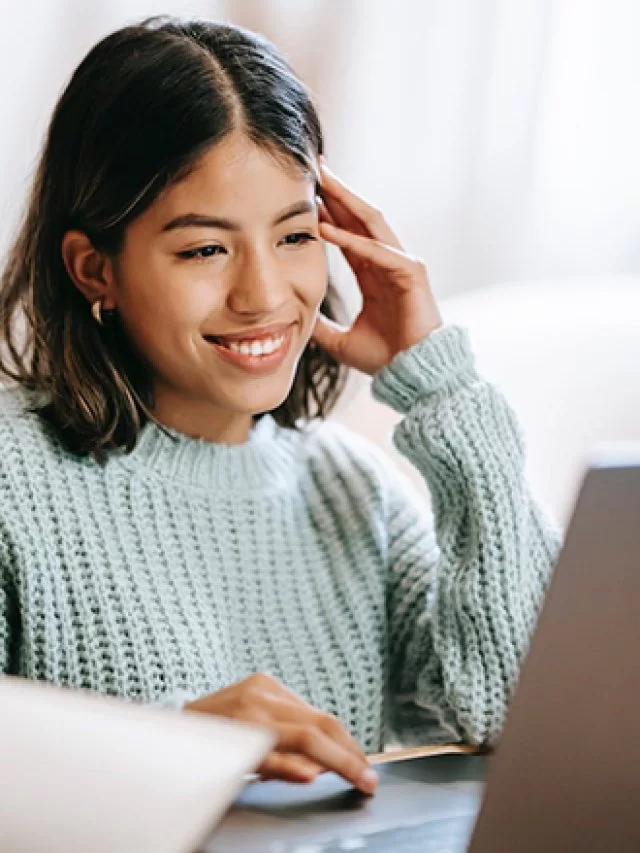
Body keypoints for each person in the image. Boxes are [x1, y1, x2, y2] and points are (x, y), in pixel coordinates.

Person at [0, 16, 560, 795]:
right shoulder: (12, 478)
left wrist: (444, 387)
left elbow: (526, 727)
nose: (264, 295)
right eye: (204, 248)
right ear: (95, 269)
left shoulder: (356, 496)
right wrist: (170, 748)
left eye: (295, 236)